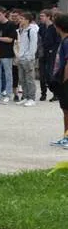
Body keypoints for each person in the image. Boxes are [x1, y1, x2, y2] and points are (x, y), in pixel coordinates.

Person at [48, 14, 68, 148]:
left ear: (58, 26)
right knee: (66, 111)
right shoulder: (64, 40)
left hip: (65, 82)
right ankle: (66, 136)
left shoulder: (67, 42)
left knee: (67, 110)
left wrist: (64, 81)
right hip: (63, 81)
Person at [0, 7, 16, 103]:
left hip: (7, 53)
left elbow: (10, 39)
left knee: (8, 74)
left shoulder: (11, 25)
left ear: (5, 14)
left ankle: (8, 94)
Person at [15, 11, 39, 107]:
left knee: (30, 79)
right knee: (22, 79)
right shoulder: (20, 30)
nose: (19, 20)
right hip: (20, 58)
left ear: (27, 20)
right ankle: (25, 97)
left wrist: (29, 57)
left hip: (28, 59)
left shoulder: (31, 31)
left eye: (22, 19)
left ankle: (31, 98)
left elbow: (33, 45)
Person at [39, 10, 59, 102]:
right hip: (42, 53)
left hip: (51, 53)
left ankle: (55, 93)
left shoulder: (54, 28)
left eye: (42, 16)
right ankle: (43, 94)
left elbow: (57, 41)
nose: (40, 18)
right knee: (42, 74)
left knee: (50, 74)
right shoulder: (41, 27)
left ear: (48, 17)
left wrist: (52, 51)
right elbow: (40, 39)